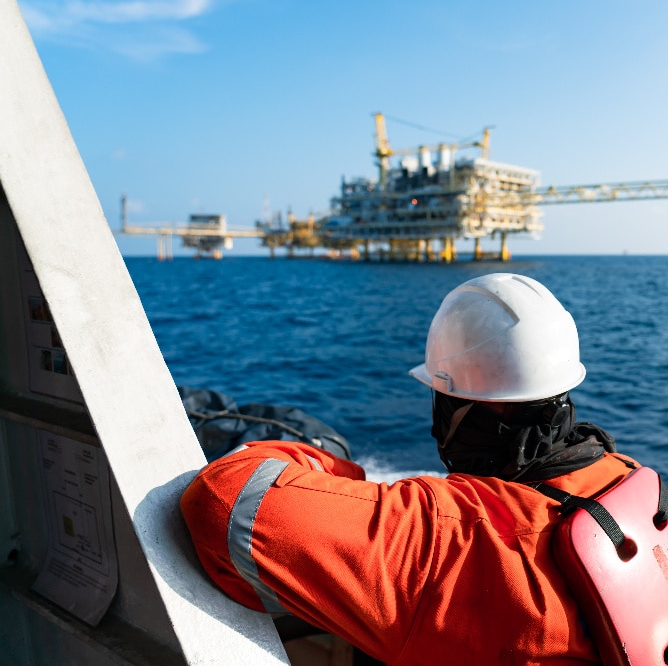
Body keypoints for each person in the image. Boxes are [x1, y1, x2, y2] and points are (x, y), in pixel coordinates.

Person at [180, 272, 640, 665]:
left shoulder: (446, 538)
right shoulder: (630, 482)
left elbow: (223, 501)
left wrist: (340, 471)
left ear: (456, 405)